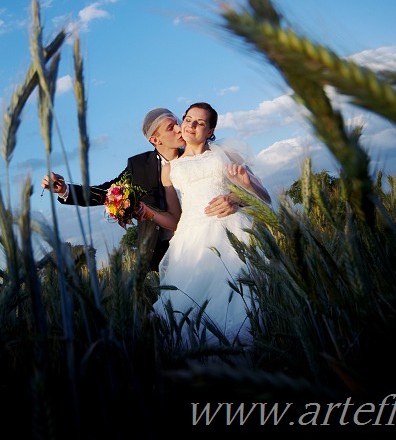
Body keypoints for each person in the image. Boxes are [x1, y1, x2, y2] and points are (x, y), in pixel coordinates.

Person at [41, 107, 245, 272]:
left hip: (213, 237)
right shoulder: (138, 166)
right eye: (170, 127)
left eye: (177, 122)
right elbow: (104, 193)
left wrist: (235, 198)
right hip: (164, 251)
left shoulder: (202, 154)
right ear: (155, 140)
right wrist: (64, 189)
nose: (179, 129)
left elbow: (242, 185)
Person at [139, 102, 271, 348]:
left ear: (210, 131)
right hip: (191, 242)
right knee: (190, 310)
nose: (192, 125)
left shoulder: (226, 154)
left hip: (231, 232)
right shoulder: (169, 170)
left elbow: (264, 197)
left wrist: (238, 196)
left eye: (200, 122)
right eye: (188, 119)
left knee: (236, 304)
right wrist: (147, 213)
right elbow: (176, 218)